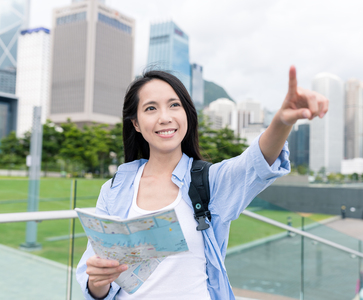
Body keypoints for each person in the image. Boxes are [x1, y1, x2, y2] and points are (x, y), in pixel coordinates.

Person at [76, 66, 328, 300]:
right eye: (151, 108)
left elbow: (256, 162)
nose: (164, 117)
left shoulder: (210, 181)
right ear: (136, 123)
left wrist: (282, 121)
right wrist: (98, 283)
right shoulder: (114, 189)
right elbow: (96, 283)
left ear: (186, 114)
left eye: (174, 105)